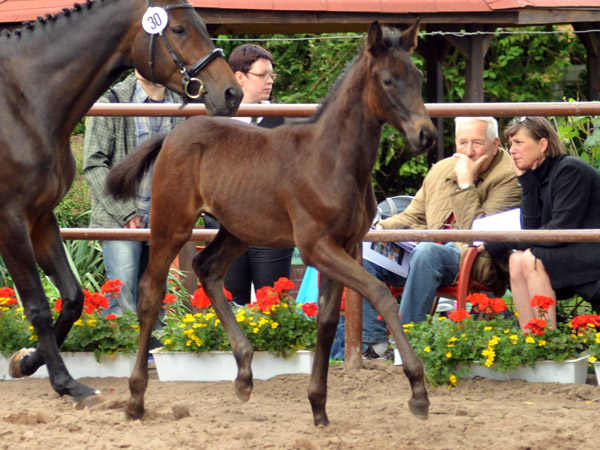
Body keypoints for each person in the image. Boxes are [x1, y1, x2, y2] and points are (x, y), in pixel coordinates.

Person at [361, 116, 522, 359]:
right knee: (362, 250)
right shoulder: (441, 169)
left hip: (478, 259)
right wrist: (378, 229)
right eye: (462, 143)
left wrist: (466, 182)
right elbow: (414, 215)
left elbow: (480, 233)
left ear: (495, 142)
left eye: (477, 142)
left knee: (427, 251)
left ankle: (407, 345)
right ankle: (375, 347)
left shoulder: (509, 175)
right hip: (424, 253)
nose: (468, 151)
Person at [481, 116, 600, 330]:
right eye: (510, 144)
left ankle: (546, 339)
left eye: (519, 143)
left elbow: (560, 230)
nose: (512, 150)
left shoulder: (569, 169)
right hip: (570, 251)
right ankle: (532, 339)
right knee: (517, 259)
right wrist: (526, 184)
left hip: (591, 252)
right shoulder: (536, 177)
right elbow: (531, 232)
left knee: (530, 258)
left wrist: (497, 243)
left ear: (543, 144)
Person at [83, 70, 184, 316]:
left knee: (156, 299)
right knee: (122, 298)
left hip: (163, 222)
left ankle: (153, 353)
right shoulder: (112, 102)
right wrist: (125, 211)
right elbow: (93, 164)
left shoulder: (182, 105)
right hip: (120, 221)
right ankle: (124, 352)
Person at [203, 44, 293, 305]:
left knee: (275, 307)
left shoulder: (286, 119)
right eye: (262, 75)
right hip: (225, 228)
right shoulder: (216, 120)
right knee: (229, 305)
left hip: (272, 228)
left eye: (271, 75)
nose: (269, 81)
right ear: (239, 77)